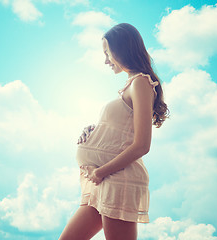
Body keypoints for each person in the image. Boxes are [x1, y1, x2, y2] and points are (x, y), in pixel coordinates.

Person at [59, 23, 169, 240]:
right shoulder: (131, 85)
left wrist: (100, 172)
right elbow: (122, 130)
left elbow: (142, 145)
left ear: (122, 50)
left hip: (116, 179)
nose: (106, 60)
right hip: (105, 181)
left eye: (107, 53)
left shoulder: (140, 83)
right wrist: (95, 131)